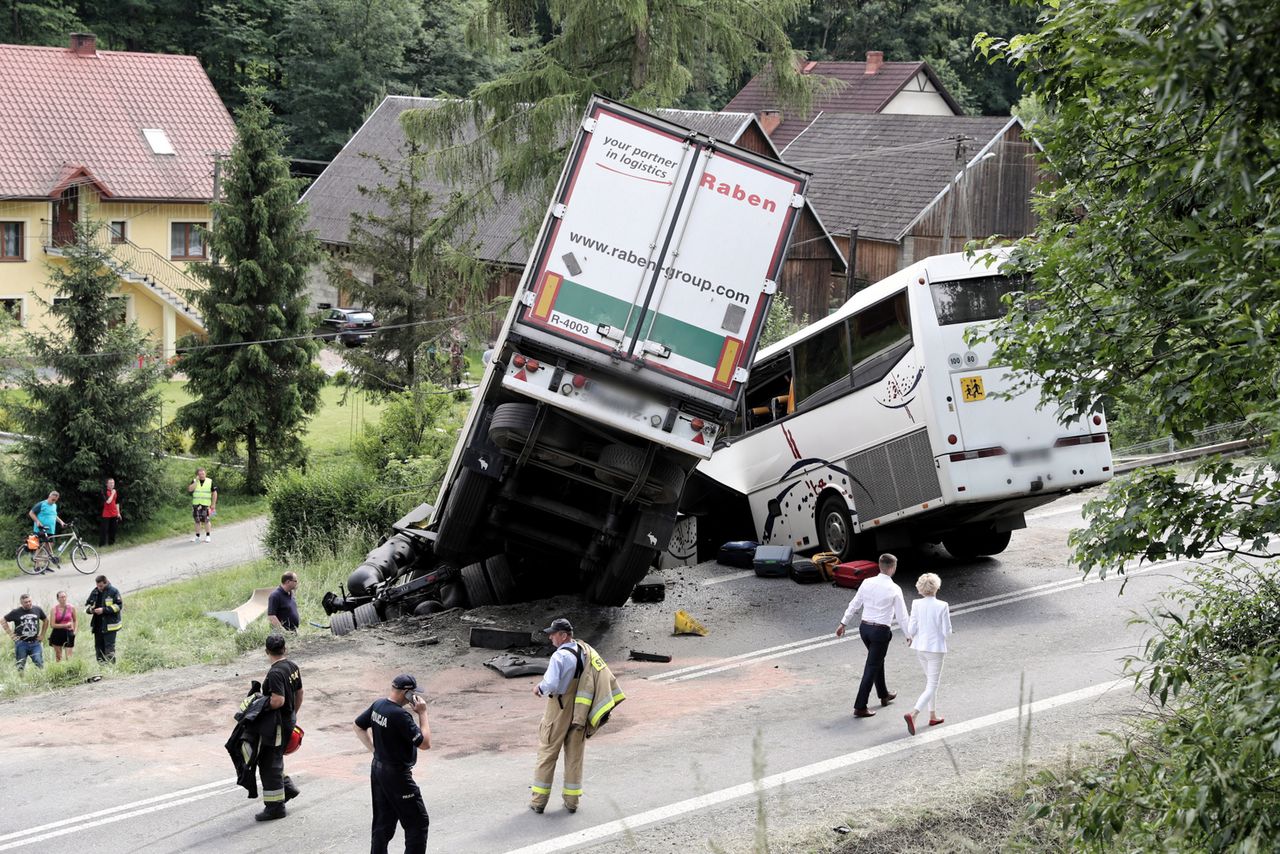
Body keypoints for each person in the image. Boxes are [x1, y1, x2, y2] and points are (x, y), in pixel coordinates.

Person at [353, 674, 431, 854]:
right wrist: (423, 713)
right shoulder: (400, 715)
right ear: (406, 692)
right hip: (397, 775)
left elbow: (358, 726)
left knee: (382, 823)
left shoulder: (378, 705)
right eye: (413, 693)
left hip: (378, 769)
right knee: (417, 824)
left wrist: (375, 751)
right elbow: (425, 743)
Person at [835, 553, 911, 718]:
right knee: (871, 666)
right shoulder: (894, 589)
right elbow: (902, 616)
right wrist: (909, 634)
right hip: (880, 632)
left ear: (880, 566)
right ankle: (860, 706)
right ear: (892, 568)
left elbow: (855, 604)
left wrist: (843, 623)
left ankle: (883, 694)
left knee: (876, 661)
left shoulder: (867, 582)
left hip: (865, 630)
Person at [530, 617, 589, 814]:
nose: (550, 637)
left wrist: (540, 687)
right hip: (580, 706)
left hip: (559, 706)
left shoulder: (559, 657)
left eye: (553, 634)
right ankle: (572, 802)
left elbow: (552, 683)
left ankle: (538, 801)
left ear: (563, 636)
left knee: (547, 752)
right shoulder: (583, 652)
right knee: (574, 756)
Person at [254, 634, 302, 821]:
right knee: (273, 758)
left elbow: (278, 700)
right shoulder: (292, 666)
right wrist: (293, 714)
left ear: (267, 651)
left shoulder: (275, 673)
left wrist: (260, 703)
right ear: (285, 649)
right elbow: (299, 692)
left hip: (278, 725)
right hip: (288, 719)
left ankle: (275, 808)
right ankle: (287, 789)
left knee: (269, 763)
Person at [904, 572, 953, 735]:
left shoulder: (916, 604)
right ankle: (914, 713)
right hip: (936, 649)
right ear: (936, 587)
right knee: (933, 684)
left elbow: (911, 629)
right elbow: (947, 632)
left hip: (920, 648)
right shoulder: (943, 605)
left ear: (920, 588)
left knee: (930, 683)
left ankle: (932, 715)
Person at [4, 594, 47, 672]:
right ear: (21, 603)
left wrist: (42, 635)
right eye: (26, 602)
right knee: (20, 665)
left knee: (39, 662)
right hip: (21, 643)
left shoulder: (37, 609)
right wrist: (11, 634)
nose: (28, 603)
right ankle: (21, 681)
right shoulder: (16, 612)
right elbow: (3, 620)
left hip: (35, 643)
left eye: (29, 601)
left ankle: (42, 679)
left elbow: (45, 620)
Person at [85, 575, 123, 664]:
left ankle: (111, 668)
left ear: (106, 582)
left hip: (110, 626)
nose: (99, 588)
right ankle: (102, 667)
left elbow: (118, 606)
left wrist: (104, 610)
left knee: (109, 648)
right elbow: (87, 606)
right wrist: (91, 610)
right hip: (98, 625)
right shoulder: (95, 592)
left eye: (101, 586)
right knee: (98, 648)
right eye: (98, 586)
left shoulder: (113, 591)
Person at [28, 490, 65, 570]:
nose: (53, 501)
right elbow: (31, 513)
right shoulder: (41, 504)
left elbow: (54, 515)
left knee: (49, 547)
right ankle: (37, 567)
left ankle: (45, 566)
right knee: (40, 547)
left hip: (50, 530)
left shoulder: (54, 505)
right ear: (49, 496)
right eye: (53, 499)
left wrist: (61, 522)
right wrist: (37, 521)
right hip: (40, 529)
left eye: (55, 500)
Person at [187, 467, 217, 543]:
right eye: (199, 474)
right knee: (197, 521)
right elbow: (190, 489)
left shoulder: (210, 481)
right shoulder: (194, 481)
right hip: (196, 505)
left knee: (206, 520)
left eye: (203, 474)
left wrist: (213, 504)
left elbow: (214, 493)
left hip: (206, 505)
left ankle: (208, 536)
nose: (201, 475)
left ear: (205, 474)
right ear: (197, 475)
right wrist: (196, 481)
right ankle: (197, 537)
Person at [49, 590, 77, 662]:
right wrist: (65, 625)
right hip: (57, 632)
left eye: (64, 597)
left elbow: (75, 620)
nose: (63, 599)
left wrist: (75, 631)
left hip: (68, 632)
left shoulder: (71, 607)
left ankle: (70, 671)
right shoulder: (54, 609)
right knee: (59, 656)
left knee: (69, 656)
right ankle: (59, 671)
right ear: (58, 599)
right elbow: (52, 625)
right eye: (61, 597)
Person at [100, 478, 121, 547]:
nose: (112, 484)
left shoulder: (115, 491)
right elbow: (108, 502)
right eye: (110, 483)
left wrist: (118, 513)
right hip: (106, 514)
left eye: (113, 483)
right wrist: (112, 493)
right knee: (104, 530)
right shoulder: (104, 491)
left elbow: (117, 503)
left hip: (114, 513)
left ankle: (111, 543)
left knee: (113, 529)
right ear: (107, 484)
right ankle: (102, 545)